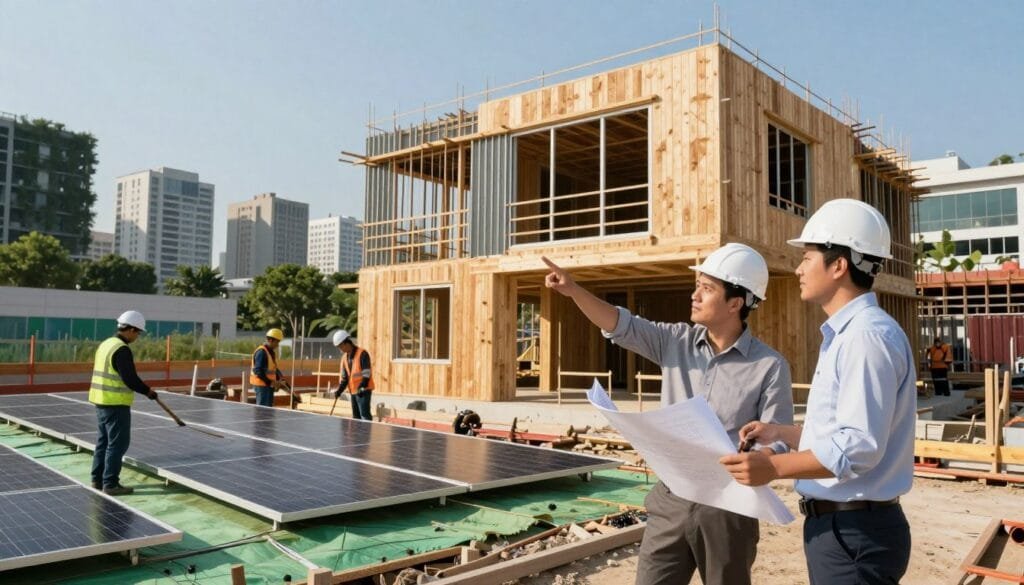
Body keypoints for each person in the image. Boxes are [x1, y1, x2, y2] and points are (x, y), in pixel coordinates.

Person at [543, 244, 793, 585]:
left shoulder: (769, 366)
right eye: (698, 285)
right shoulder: (675, 341)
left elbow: (779, 438)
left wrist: (762, 460)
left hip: (728, 507)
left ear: (736, 303)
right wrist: (573, 291)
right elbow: (620, 324)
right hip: (671, 496)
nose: (695, 295)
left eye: (707, 289)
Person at [720, 198, 916, 585]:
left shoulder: (864, 337)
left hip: (855, 531)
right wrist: (784, 435)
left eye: (808, 257)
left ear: (839, 265)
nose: (798, 268)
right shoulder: (849, 335)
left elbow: (859, 445)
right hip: (846, 528)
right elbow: (846, 430)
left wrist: (773, 467)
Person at [88, 310, 158, 496]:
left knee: (103, 442)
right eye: (138, 333)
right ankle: (110, 483)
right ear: (131, 329)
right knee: (117, 444)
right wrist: (147, 391)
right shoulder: (121, 349)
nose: (137, 337)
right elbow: (130, 379)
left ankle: (97, 479)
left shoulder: (106, 344)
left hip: (100, 401)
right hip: (115, 404)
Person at [333, 330, 375, 421]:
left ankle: (366, 435)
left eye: (340, 346)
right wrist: (339, 391)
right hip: (353, 392)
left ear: (346, 342)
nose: (340, 349)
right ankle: (358, 436)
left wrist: (362, 386)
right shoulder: (344, 358)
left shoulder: (362, 354)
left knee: (364, 416)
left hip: (364, 391)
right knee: (356, 418)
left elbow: (366, 373)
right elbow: (345, 378)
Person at [250, 328, 287, 407]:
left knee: (268, 409)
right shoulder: (262, 352)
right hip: (262, 386)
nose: (278, 345)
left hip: (268, 385)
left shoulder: (270, 352)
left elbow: (273, 368)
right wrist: (270, 382)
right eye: (277, 342)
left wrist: (280, 378)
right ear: (270, 340)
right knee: (262, 410)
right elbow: (257, 370)